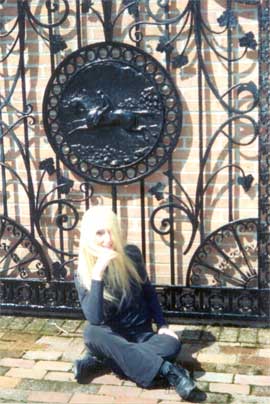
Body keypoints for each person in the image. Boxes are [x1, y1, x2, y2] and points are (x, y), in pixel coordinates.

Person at [73, 206, 206, 403]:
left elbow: (149, 292)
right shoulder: (83, 273)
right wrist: (98, 274)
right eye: (100, 233)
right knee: (92, 332)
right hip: (112, 337)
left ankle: (105, 362)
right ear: (88, 236)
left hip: (144, 337)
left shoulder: (132, 254)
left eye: (111, 231)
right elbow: (95, 317)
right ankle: (170, 371)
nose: (108, 239)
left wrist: (162, 325)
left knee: (172, 343)